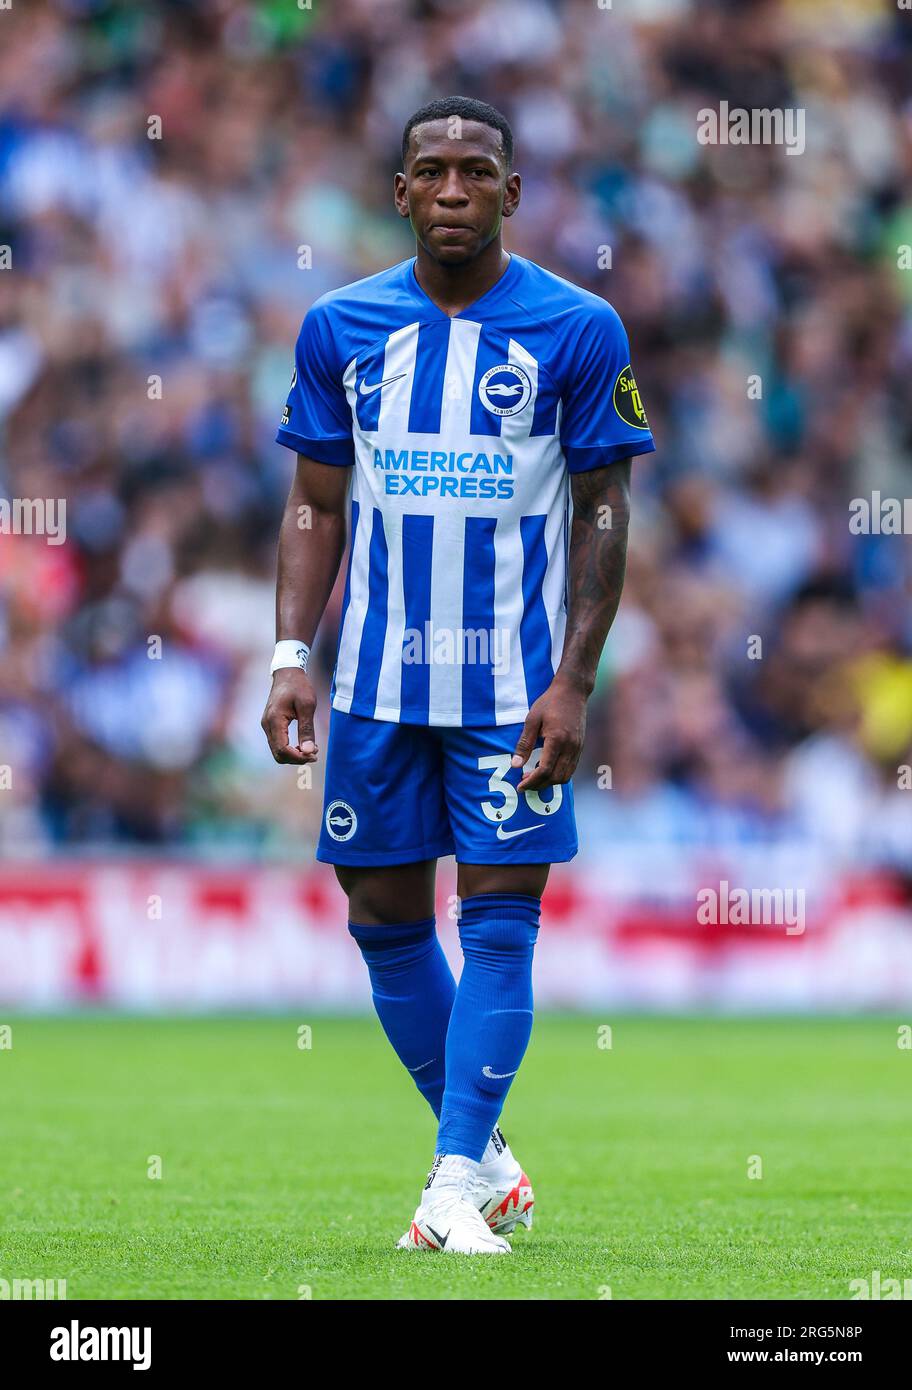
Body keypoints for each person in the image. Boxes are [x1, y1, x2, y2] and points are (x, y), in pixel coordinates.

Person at [262, 95, 655, 1254]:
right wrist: (293, 657)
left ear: (511, 193)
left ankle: (447, 1186)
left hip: (510, 693)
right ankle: (479, 1148)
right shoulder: (340, 327)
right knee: (382, 919)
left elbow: (603, 509)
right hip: (376, 686)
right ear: (398, 192)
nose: (450, 190)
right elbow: (314, 504)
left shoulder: (578, 329)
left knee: (497, 922)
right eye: (429, 171)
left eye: (475, 172)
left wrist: (576, 678)